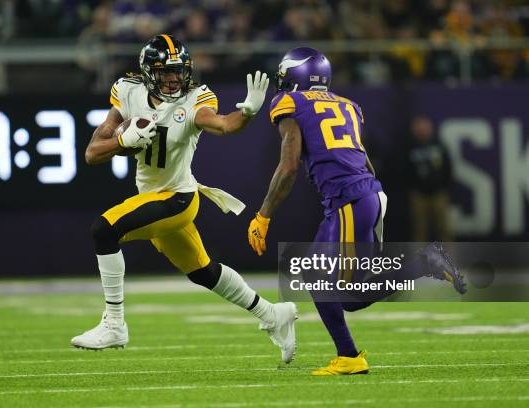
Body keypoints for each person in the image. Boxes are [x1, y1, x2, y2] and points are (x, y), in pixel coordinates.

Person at [70, 34, 297, 364]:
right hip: (154, 198)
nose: (175, 78)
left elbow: (222, 125)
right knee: (203, 272)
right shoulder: (129, 91)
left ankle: (115, 324)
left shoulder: (194, 101)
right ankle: (273, 314)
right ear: (149, 73)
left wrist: (247, 112)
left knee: (104, 230)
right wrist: (122, 140)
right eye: (166, 72)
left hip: (177, 199)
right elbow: (93, 153)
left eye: (179, 71)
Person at [247, 47, 465, 375]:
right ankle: (348, 355)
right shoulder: (348, 105)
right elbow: (363, 160)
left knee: (349, 295)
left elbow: (289, 165)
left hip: (351, 202)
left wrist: (263, 215)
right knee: (314, 274)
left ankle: (424, 264)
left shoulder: (290, 102)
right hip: (361, 198)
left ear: (296, 75)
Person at [407, 115, 453, 242]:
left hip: (438, 193)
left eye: (424, 127)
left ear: (430, 128)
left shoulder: (439, 146)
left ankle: (449, 259)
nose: (422, 130)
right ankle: (420, 260)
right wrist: (411, 188)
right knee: (420, 230)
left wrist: (445, 188)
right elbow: (404, 170)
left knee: (443, 229)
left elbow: (448, 168)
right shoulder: (410, 147)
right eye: (419, 127)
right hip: (418, 195)